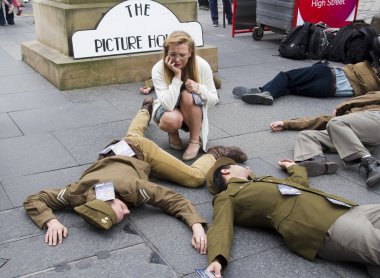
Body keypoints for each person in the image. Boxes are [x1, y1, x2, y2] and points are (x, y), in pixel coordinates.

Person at [23, 97, 247, 248]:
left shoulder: (131, 189)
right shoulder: (76, 194)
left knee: (194, 177)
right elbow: (34, 199)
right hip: (116, 148)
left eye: (121, 210)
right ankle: (145, 109)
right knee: (133, 133)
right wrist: (50, 221)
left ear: (108, 200)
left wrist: (197, 226)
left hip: (141, 152)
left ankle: (216, 154)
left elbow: (172, 200)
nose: (127, 212)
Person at [204, 157, 380, 278]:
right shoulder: (227, 196)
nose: (245, 166)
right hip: (323, 226)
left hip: (345, 208)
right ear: (226, 172)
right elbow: (220, 226)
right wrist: (217, 259)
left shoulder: (265, 180)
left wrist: (293, 167)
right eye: (238, 164)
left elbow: (297, 184)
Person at [270, 91, 380, 187]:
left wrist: (342, 106)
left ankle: (371, 163)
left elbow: (371, 97)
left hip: (375, 118)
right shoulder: (347, 117)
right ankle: (316, 161)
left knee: (336, 122)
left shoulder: (371, 101)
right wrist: (287, 124)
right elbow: (323, 120)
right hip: (358, 137)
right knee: (306, 135)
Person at [151, 31, 219, 161]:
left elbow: (214, 100)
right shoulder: (158, 68)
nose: (177, 59)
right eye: (172, 54)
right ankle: (172, 133)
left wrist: (199, 89)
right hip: (167, 109)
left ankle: (194, 141)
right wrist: (177, 76)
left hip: (192, 110)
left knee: (188, 95)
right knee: (172, 120)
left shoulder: (202, 65)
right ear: (166, 52)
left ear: (190, 52)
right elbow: (168, 105)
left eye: (182, 55)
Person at [232, 61, 380, 105]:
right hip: (328, 92)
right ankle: (264, 92)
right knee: (290, 87)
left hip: (327, 73)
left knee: (287, 76)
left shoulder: (369, 68)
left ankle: (264, 91)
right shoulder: (376, 87)